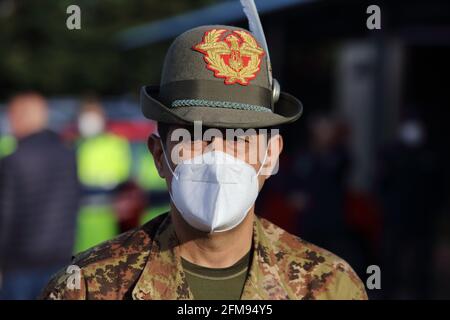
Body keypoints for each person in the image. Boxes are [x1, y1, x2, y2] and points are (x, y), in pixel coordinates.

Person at [40, 25, 367, 300]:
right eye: (196, 135)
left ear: (271, 155)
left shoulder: (327, 285)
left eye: (239, 137)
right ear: (159, 155)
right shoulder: (87, 287)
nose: (218, 156)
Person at [0, 92, 80, 299]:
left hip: (20, 264)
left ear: (21, 117)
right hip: (61, 258)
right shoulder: (68, 155)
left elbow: (5, 216)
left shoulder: (13, 160)